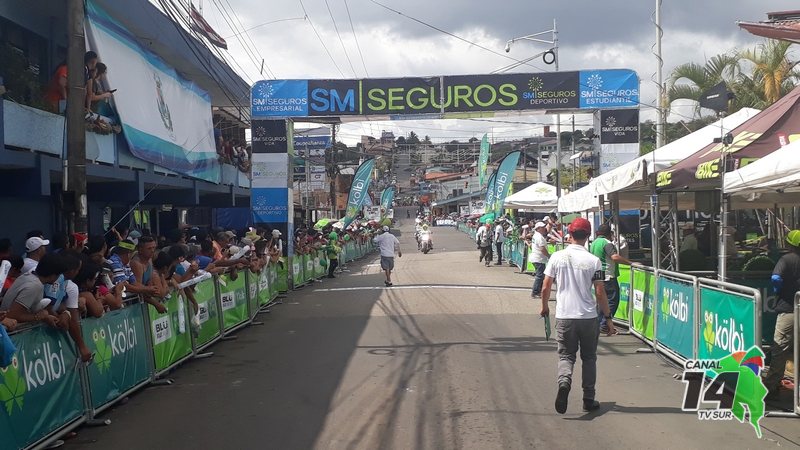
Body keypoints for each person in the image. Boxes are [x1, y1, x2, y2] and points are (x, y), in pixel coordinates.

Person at [540, 217, 614, 414]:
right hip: (588, 317)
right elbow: (600, 292)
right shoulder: (594, 261)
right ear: (588, 236)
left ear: (569, 234)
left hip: (565, 315)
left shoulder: (557, 257)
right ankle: (588, 399)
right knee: (589, 358)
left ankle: (564, 383)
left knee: (566, 355)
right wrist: (608, 318)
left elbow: (545, 287)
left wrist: (545, 307)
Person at [765, 229, 800, 399]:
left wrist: (779, 291)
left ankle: (771, 387)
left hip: (788, 309)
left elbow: (776, 279)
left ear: (789, 243)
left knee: (780, 348)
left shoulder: (786, 259)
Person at [590, 224, 635, 335]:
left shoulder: (594, 243)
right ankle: (604, 324)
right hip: (608, 276)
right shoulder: (607, 243)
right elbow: (614, 257)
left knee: (602, 302)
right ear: (609, 234)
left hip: (597, 276)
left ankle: (599, 324)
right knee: (612, 301)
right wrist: (630, 263)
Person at [1, 254, 65, 328]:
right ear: (53, 276)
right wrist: (37, 317)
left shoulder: (29, 275)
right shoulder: (35, 286)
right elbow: (12, 315)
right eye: (58, 275)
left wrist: (46, 317)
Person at [530, 221, 550, 297]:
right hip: (539, 258)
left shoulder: (536, 236)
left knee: (540, 275)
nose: (544, 228)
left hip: (538, 258)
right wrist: (548, 256)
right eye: (542, 227)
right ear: (538, 228)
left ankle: (538, 291)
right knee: (540, 276)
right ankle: (535, 292)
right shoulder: (539, 237)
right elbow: (542, 249)